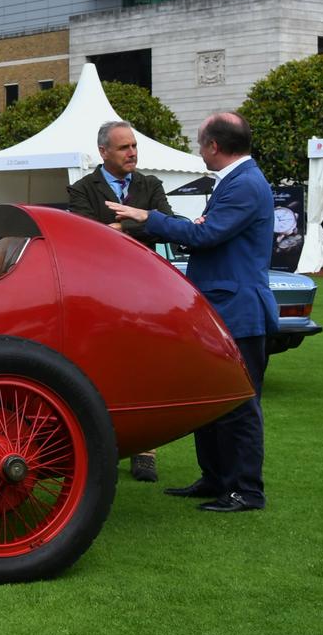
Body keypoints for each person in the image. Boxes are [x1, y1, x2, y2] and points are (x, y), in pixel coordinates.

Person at [108, 112, 278, 513]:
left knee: (239, 404)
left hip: (238, 311)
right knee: (212, 399)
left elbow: (205, 234)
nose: (198, 150)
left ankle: (246, 490)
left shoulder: (246, 184)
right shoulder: (237, 182)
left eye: (200, 143)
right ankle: (217, 478)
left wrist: (147, 217)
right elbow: (206, 234)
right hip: (221, 308)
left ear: (214, 146)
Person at [70, 120, 177, 483]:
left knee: (144, 368)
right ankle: (104, 444)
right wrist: (140, 224)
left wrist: (124, 227)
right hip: (99, 294)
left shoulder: (150, 185)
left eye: (133, 146)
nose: (132, 152)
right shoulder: (83, 189)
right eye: (123, 147)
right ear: (104, 152)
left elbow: (169, 223)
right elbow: (83, 233)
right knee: (101, 368)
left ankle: (145, 449)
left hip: (145, 291)